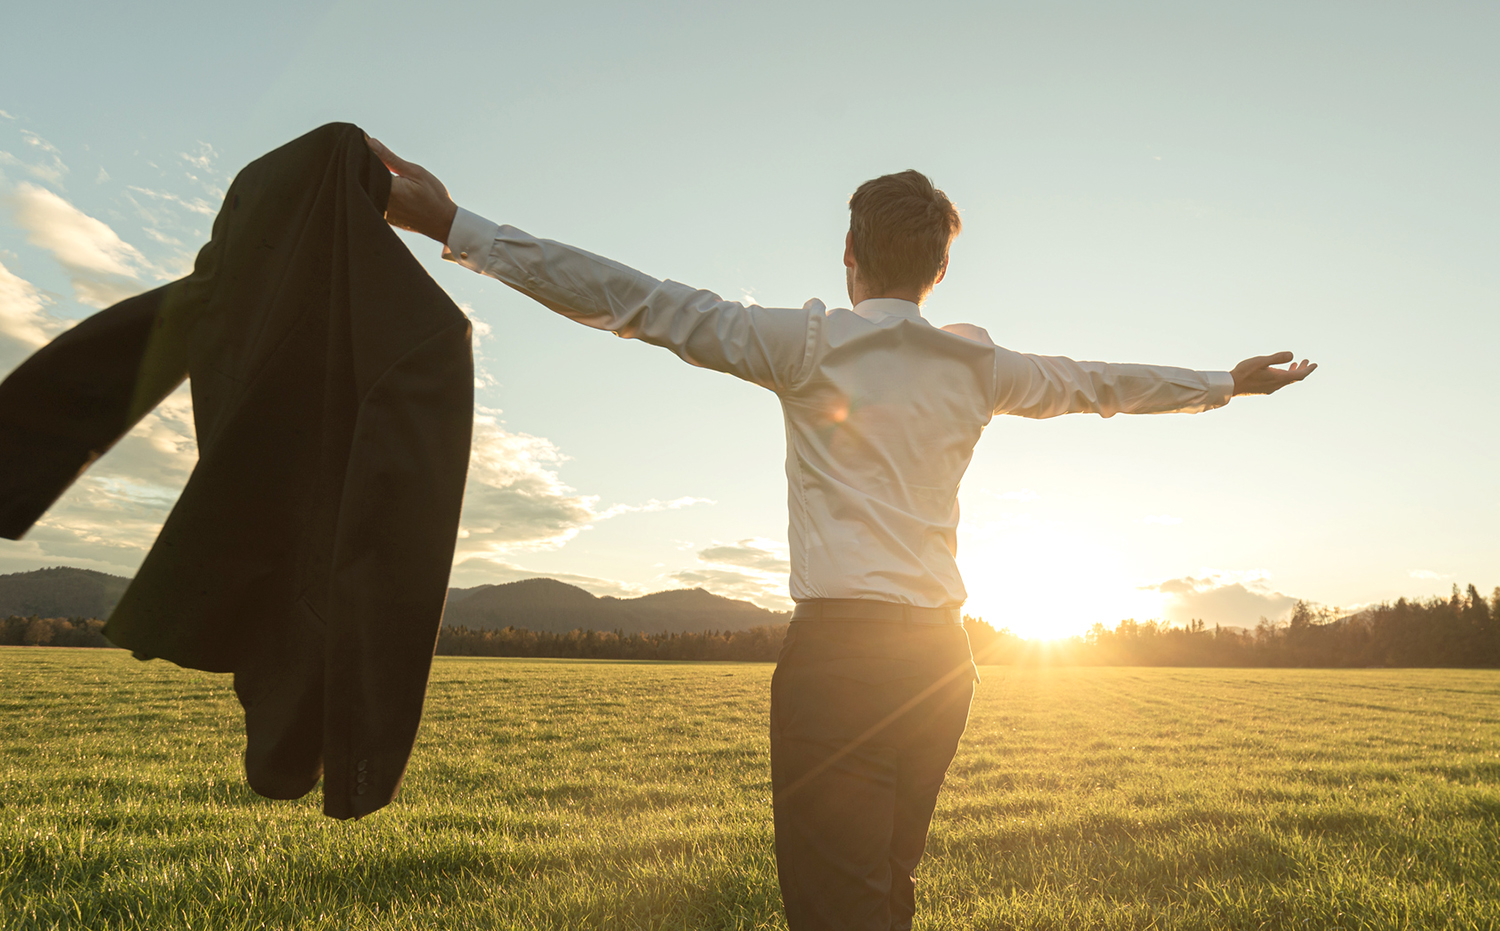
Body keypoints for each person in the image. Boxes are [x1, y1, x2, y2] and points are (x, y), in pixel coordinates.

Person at [365, 137, 1315, 931]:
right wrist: (1225, 384)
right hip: (945, 669)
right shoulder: (979, 366)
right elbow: (1100, 382)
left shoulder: (807, 343)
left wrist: (454, 225)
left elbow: (634, 298)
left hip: (841, 665)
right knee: (884, 896)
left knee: (839, 910)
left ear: (848, 255)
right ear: (940, 269)